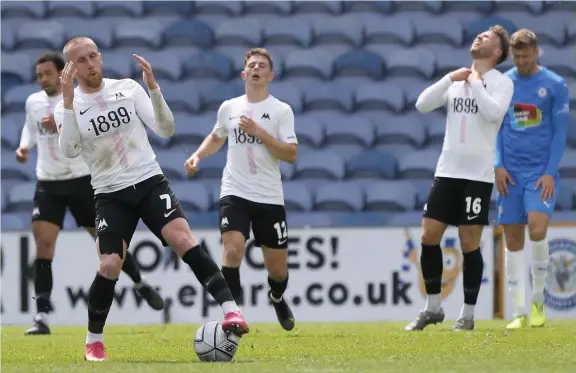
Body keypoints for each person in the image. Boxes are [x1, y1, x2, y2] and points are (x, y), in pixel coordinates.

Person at [55, 37, 249, 362]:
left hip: (148, 181)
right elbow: (69, 150)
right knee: (109, 265)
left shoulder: (128, 89)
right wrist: (70, 103)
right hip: (110, 193)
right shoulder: (66, 107)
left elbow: (166, 128)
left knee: (183, 239)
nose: (90, 64)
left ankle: (231, 312)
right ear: (71, 69)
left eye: (93, 56)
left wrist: (154, 89)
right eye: (81, 61)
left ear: (100, 57)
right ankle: (94, 340)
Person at [15, 52, 164, 336]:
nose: (43, 79)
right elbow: (29, 130)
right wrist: (23, 148)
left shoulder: (75, 100)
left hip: (82, 180)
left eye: (47, 73)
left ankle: (139, 282)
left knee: (107, 245)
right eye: (39, 75)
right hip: (48, 182)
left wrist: (60, 125)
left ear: (62, 73)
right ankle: (41, 316)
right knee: (43, 245)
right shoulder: (33, 102)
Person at [405, 25, 515, 331]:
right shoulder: (457, 80)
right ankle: (433, 308)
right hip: (447, 171)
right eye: (479, 35)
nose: (479, 37)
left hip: (477, 176)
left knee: (469, 242)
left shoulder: (501, 83)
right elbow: (422, 104)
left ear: (496, 52)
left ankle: (467, 315)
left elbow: (494, 114)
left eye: (487, 38)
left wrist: (476, 83)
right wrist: (448, 79)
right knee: (428, 237)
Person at [184, 48, 297, 331]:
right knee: (232, 251)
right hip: (235, 191)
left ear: (271, 75)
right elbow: (216, 136)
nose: (257, 68)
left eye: (262, 65)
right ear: (244, 74)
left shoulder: (281, 110)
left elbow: (291, 154)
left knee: (277, 270)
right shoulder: (230, 107)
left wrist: (261, 133)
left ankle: (277, 296)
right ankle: (233, 315)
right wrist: (198, 155)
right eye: (252, 65)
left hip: (269, 196)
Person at [496, 29, 570, 330]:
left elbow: (560, 132)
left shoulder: (554, 85)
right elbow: (498, 127)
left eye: (526, 55)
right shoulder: (504, 84)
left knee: (537, 230)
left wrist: (550, 171)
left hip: (540, 173)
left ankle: (538, 301)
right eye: (517, 55)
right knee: (512, 239)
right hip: (510, 173)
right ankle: (518, 311)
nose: (522, 60)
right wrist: (498, 165)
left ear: (536, 52)